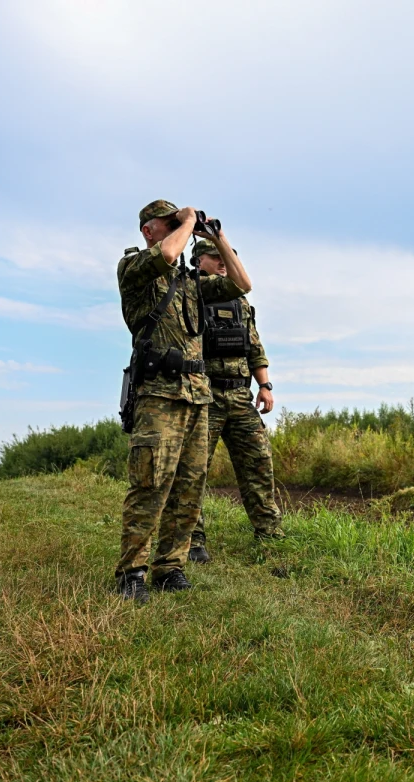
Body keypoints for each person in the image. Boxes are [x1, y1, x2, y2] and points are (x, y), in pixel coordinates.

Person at [116, 200, 254, 604]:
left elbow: (243, 285)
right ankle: (132, 572)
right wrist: (188, 220)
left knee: (190, 487)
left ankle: (170, 566)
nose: (179, 226)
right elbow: (169, 253)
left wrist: (217, 237)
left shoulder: (192, 282)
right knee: (150, 483)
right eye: (169, 222)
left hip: (198, 395)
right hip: (158, 394)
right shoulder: (135, 268)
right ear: (148, 230)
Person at [188, 238, 282, 562]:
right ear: (199, 260)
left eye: (226, 257)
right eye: (216, 257)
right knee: (195, 470)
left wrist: (265, 386)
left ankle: (269, 532)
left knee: (259, 462)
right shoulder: (191, 293)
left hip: (240, 396)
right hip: (204, 396)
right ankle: (192, 540)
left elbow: (254, 347)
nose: (224, 262)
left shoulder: (240, 302)